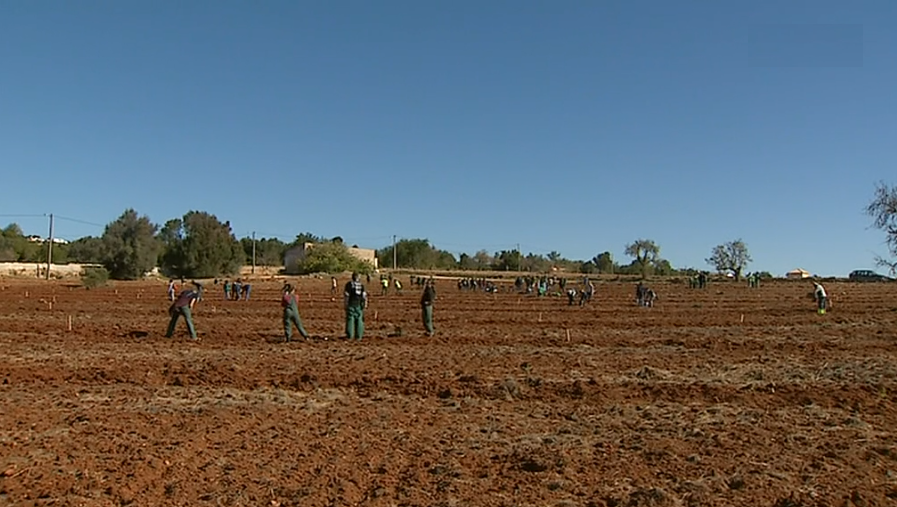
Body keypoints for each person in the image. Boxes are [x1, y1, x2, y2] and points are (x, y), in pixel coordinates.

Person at [344, 272, 368, 340]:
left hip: (351, 304)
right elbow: (364, 296)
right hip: (359, 305)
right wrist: (365, 304)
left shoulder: (349, 285)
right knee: (359, 319)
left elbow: (346, 295)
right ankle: (359, 336)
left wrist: (345, 304)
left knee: (350, 319)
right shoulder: (361, 285)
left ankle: (350, 335)